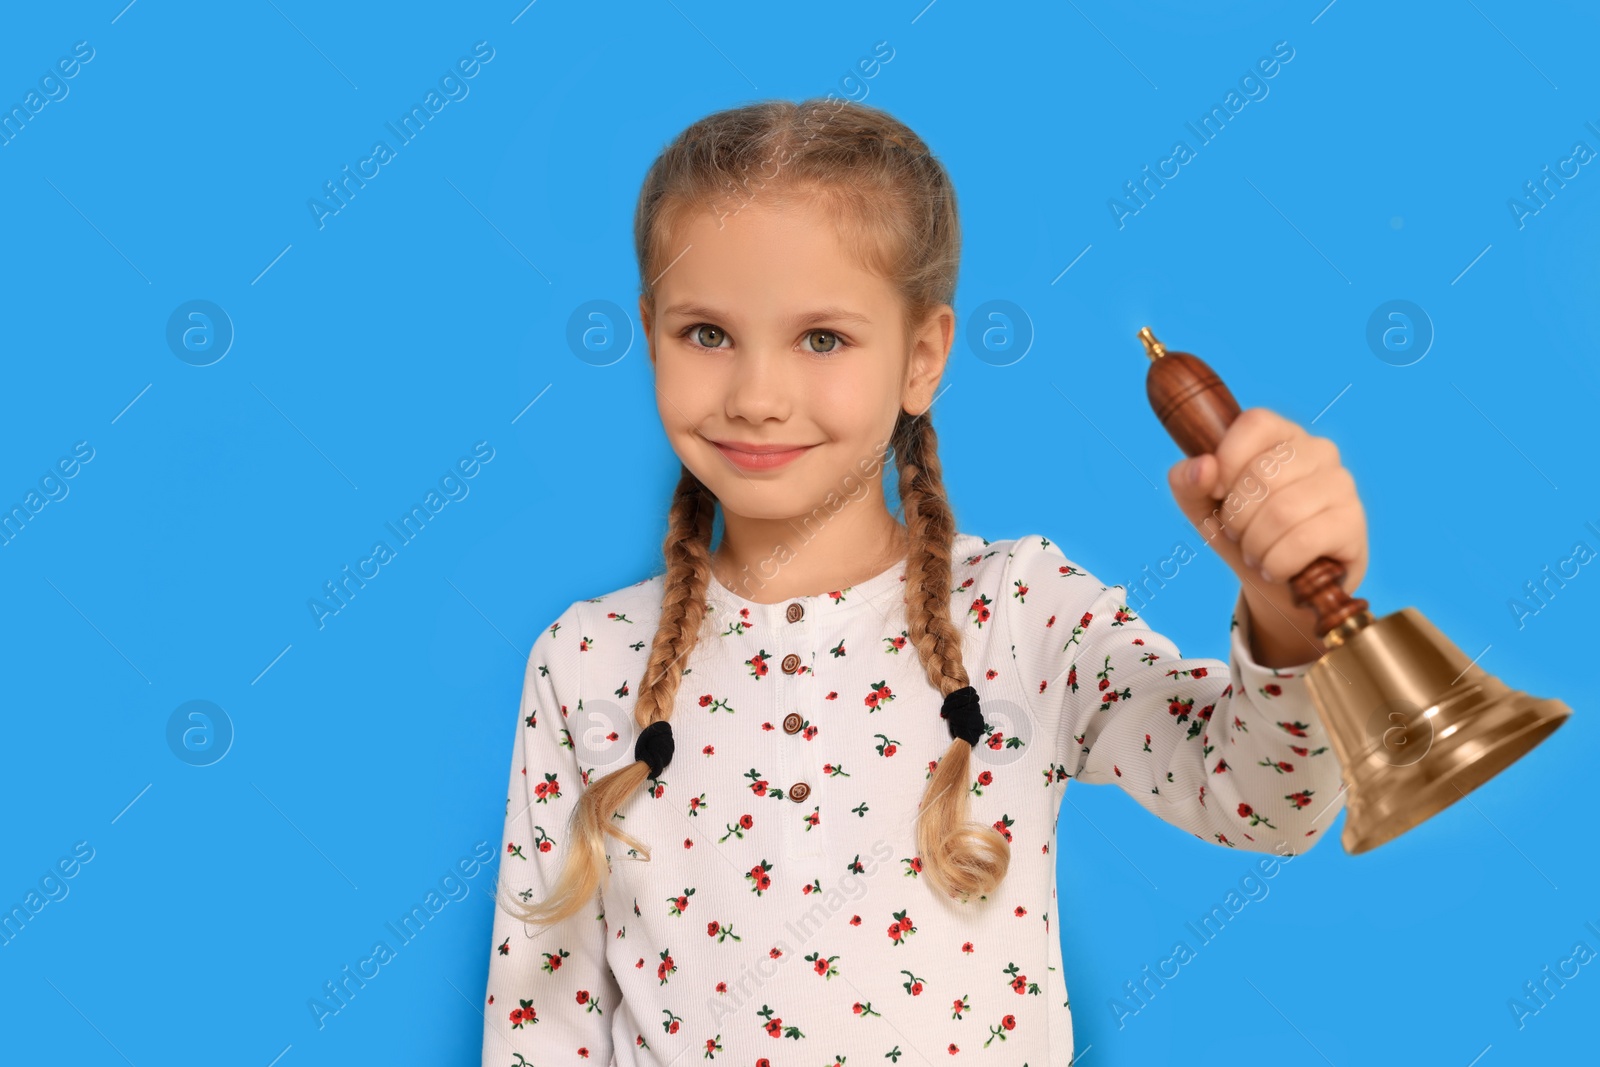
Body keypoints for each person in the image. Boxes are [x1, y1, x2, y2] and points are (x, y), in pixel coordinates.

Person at [480, 97, 1365, 1066]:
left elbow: (1268, 807)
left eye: (822, 337)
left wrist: (1285, 617)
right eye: (705, 333)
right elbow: (544, 1020)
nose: (756, 396)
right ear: (649, 333)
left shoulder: (1022, 614)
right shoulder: (586, 656)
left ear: (924, 356)